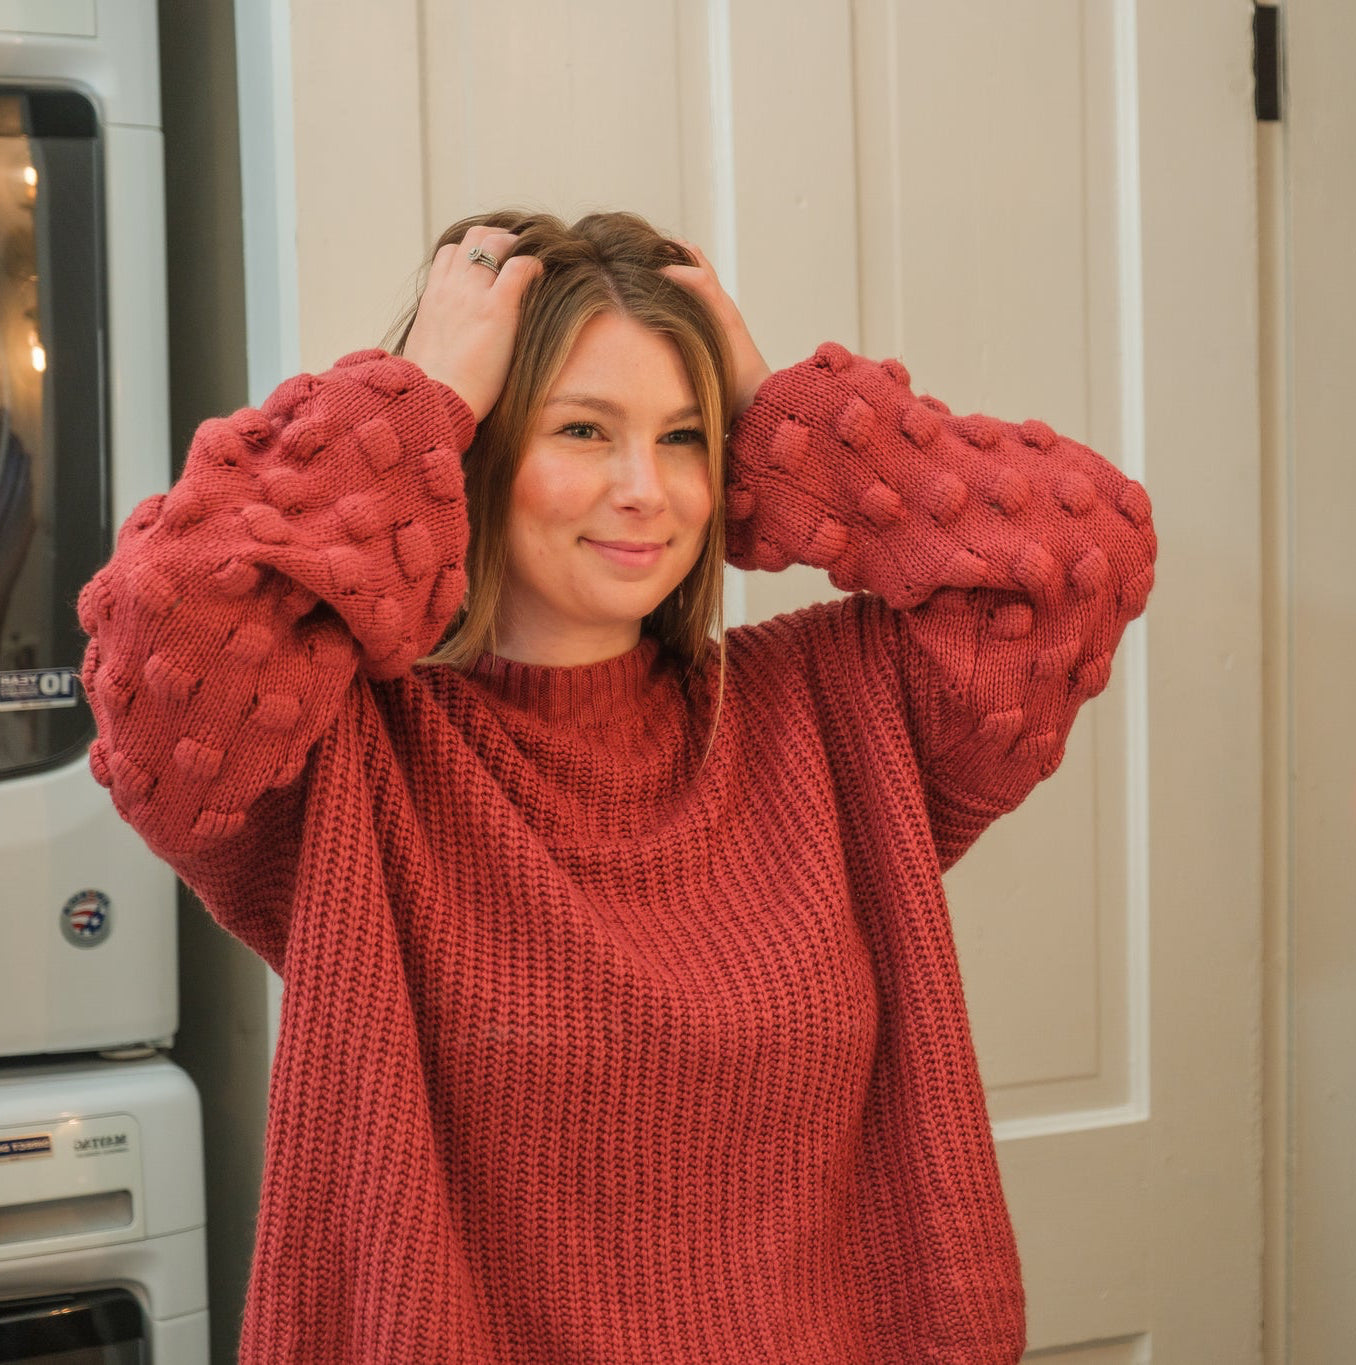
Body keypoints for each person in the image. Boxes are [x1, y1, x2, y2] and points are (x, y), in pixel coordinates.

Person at [78, 209, 1157, 1363]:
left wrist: (797, 422)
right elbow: (162, 645)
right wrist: (409, 401)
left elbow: (1085, 547)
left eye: (687, 437)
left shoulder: (831, 715)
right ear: (479, 446)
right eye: (586, 430)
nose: (649, 489)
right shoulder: (341, 760)